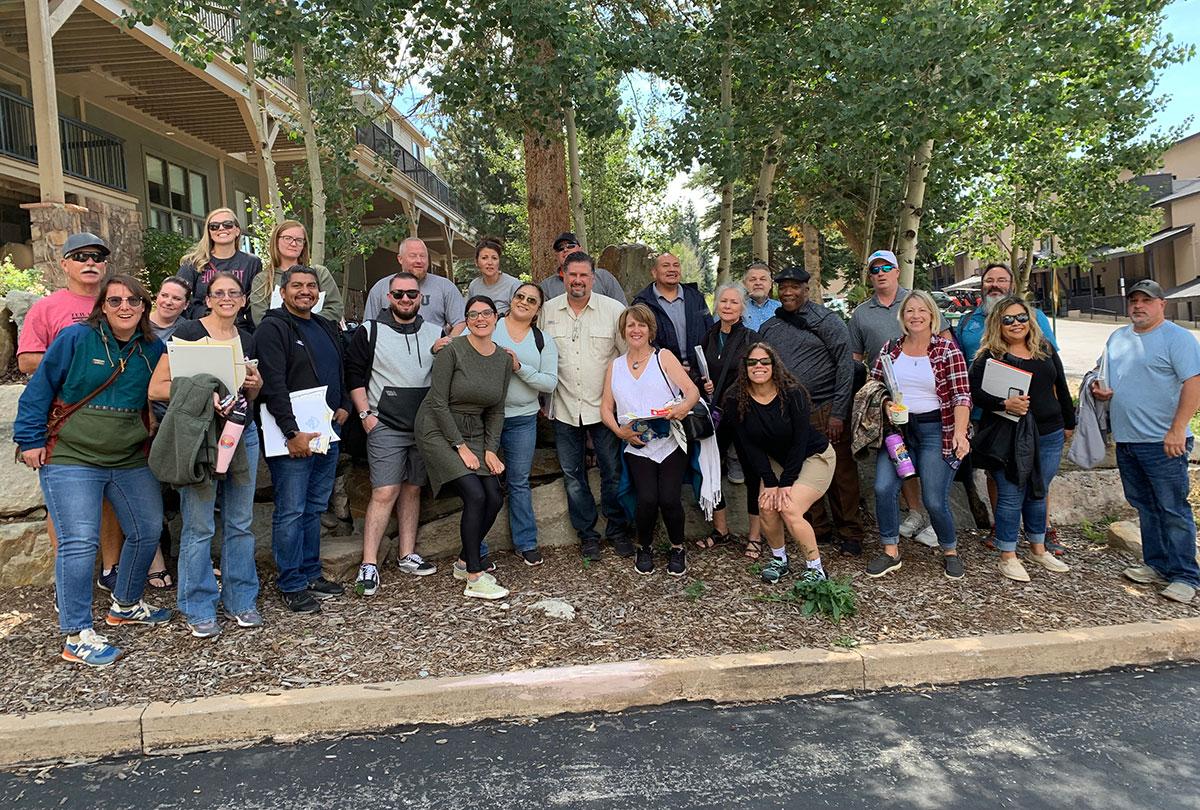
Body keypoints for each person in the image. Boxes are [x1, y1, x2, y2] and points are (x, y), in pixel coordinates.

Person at [14, 275, 170, 666]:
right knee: (79, 541)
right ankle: (77, 633)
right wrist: (30, 439)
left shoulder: (154, 347)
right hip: (71, 456)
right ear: (103, 305)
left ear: (143, 307)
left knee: (148, 528)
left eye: (133, 300)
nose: (124, 307)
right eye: (115, 300)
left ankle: (127, 605)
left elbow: (169, 390)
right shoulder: (74, 339)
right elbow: (40, 389)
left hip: (128, 456)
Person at [148, 272, 265, 636]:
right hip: (200, 438)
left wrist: (255, 386)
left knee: (240, 523)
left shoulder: (247, 338)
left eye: (234, 293)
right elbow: (157, 387)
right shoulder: (188, 333)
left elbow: (247, 398)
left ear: (243, 300)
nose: (226, 298)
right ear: (208, 299)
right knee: (199, 525)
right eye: (219, 293)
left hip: (241, 437)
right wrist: (204, 395)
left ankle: (241, 600)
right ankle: (198, 606)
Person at [16, 232, 125, 593]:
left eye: (96, 256)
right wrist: (78, 361)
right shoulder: (47, 308)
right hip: (65, 421)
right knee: (61, 506)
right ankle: (71, 583)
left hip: (116, 419)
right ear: (64, 264)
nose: (90, 262)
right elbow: (28, 360)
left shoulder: (119, 301)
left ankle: (111, 569)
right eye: (80, 256)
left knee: (111, 497)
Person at [1093, 280, 1200, 604]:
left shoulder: (1177, 339)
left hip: (1163, 441)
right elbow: (1111, 379)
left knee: (1172, 508)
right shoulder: (1118, 338)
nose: (1138, 306)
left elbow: (1193, 384)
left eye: (1146, 301)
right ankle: (1156, 565)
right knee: (1145, 506)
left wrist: (1177, 429)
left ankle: (1185, 575)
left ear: (1161, 304)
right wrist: (1104, 393)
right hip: (1128, 439)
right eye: (1134, 301)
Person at [255, 266, 351, 614]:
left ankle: (311, 572)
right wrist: (291, 432)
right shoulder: (272, 328)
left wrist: (342, 406)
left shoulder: (324, 326)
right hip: (292, 436)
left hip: (327, 430)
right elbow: (273, 384)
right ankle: (291, 582)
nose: (305, 291)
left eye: (311, 286)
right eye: (297, 286)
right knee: (292, 510)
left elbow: (337, 369)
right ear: (282, 291)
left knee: (314, 506)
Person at [345, 272, 442, 597]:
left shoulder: (434, 332)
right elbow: (355, 374)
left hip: (423, 425)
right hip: (384, 422)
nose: (405, 300)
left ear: (420, 298)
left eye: (411, 295)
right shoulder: (369, 331)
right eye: (398, 294)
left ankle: (407, 554)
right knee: (384, 491)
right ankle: (369, 563)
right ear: (389, 297)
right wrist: (365, 415)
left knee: (413, 489)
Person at [956, 261, 1061, 552]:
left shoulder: (1035, 316)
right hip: (985, 414)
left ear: (1011, 285)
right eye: (989, 280)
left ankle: (1043, 529)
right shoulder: (967, 322)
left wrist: (1064, 416)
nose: (995, 285)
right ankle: (1001, 528)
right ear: (982, 285)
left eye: (1001, 280)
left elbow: (1052, 369)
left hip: (1032, 415)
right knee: (996, 472)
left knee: (1037, 476)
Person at [866, 290, 972, 580]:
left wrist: (960, 434)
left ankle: (949, 550)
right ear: (903, 316)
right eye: (910, 310)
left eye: (922, 310)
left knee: (935, 499)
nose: (916, 316)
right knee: (884, 487)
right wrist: (886, 404)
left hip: (935, 429)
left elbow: (962, 395)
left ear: (932, 315)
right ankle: (890, 551)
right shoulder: (890, 350)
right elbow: (873, 388)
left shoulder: (947, 351)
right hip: (898, 430)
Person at [759, 265, 863, 556]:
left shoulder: (826, 321)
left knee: (841, 473)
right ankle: (818, 529)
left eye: (795, 287)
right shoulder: (771, 326)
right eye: (783, 287)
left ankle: (850, 533)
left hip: (824, 407)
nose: (788, 292)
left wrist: (838, 413)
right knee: (803, 470)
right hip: (791, 413)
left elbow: (846, 368)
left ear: (806, 288)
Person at [968, 296, 1073, 582]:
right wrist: (1004, 404)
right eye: (1008, 319)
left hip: (1049, 432)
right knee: (1011, 494)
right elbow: (974, 394)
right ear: (997, 324)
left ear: (1030, 319)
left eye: (1021, 317)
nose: (1016, 324)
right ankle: (1008, 555)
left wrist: (1069, 422)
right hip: (1010, 435)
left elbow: (1060, 386)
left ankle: (1038, 548)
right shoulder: (988, 357)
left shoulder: (1044, 349)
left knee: (1038, 490)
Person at [415, 295, 513, 599]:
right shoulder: (452, 350)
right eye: (473, 314)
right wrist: (460, 447)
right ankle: (474, 577)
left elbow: (496, 410)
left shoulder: (503, 360)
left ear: (497, 318)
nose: (480, 319)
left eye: (486, 313)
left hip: (475, 430)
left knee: (494, 497)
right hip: (437, 426)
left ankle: (462, 561)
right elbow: (438, 402)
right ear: (466, 320)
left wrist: (490, 449)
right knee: (474, 493)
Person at [540, 251, 633, 560]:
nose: (578, 280)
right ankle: (587, 535)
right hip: (564, 408)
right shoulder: (548, 312)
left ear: (593, 278)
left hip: (604, 409)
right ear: (563, 277)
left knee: (612, 472)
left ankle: (618, 530)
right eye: (572, 275)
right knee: (573, 476)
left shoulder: (613, 310)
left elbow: (626, 358)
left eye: (584, 275)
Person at [724, 343, 835, 584]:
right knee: (766, 504)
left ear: (774, 365)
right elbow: (748, 445)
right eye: (752, 362)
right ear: (744, 368)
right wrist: (771, 481)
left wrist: (785, 483)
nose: (759, 367)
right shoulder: (735, 399)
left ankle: (815, 567)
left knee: (789, 507)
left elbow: (800, 440)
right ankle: (779, 559)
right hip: (777, 460)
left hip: (813, 456)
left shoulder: (792, 393)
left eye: (764, 361)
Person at [601, 304, 698, 576]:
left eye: (641, 325)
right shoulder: (615, 366)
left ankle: (678, 548)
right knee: (646, 499)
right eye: (630, 325)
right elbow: (605, 407)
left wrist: (680, 408)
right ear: (623, 331)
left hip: (670, 442)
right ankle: (644, 546)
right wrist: (619, 432)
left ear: (650, 330)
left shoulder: (663, 357)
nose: (636, 330)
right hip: (636, 444)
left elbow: (691, 391)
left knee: (668, 498)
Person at [493, 283, 559, 566]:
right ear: (511, 300)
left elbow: (549, 382)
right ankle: (477, 547)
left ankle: (526, 542)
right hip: (486, 419)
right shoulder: (489, 326)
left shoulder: (543, 340)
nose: (524, 302)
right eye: (520, 296)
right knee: (482, 482)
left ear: (537, 309)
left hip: (523, 419)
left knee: (518, 482)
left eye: (531, 300)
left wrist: (520, 368)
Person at [697, 283, 762, 554]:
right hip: (717, 415)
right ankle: (721, 529)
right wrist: (705, 385)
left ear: (742, 307)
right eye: (723, 301)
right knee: (713, 468)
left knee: (752, 471)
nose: (727, 306)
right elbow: (703, 372)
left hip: (745, 413)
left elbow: (760, 373)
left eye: (734, 302)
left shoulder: (750, 338)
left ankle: (755, 536)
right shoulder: (708, 336)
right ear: (717, 305)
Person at [362, 238, 465, 343]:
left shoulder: (445, 287)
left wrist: (445, 347)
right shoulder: (380, 288)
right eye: (413, 256)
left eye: (423, 256)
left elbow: (461, 322)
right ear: (400, 259)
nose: (419, 261)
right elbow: (368, 328)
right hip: (391, 355)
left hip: (434, 355)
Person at [631, 252, 713, 378]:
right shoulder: (643, 303)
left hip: (698, 376)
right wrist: (672, 366)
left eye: (676, 265)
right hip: (660, 375)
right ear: (654, 272)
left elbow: (711, 334)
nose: (672, 269)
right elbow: (641, 342)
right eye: (666, 266)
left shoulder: (696, 298)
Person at [249, 220, 344, 327]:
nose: (293, 243)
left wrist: (307, 324)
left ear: (304, 245)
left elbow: (335, 309)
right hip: (279, 340)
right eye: (287, 238)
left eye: (299, 240)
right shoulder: (263, 279)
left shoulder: (319, 273)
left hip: (317, 337)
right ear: (276, 241)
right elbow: (260, 319)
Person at [177, 208, 262, 329]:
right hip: (201, 327)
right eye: (214, 226)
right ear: (209, 233)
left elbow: (253, 303)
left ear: (237, 230)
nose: (221, 228)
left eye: (227, 225)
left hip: (237, 328)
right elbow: (179, 296)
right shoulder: (193, 262)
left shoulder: (252, 262)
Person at [539, 232, 628, 304]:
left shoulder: (604, 277)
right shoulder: (546, 286)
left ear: (580, 248)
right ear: (556, 255)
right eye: (560, 248)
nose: (565, 250)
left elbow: (623, 310)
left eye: (570, 245)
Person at [467, 238, 522, 316]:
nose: (490, 263)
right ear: (476, 262)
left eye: (494, 258)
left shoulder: (514, 285)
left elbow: (522, 315)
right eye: (484, 258)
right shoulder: (474, 286)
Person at [149, 276, 192, 342]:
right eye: (164, 295)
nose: (168, 302)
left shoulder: (189, 330)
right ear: (157, 297)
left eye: (176, 298)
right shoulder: (137, 323)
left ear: (186, 304)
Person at [741, 261, 780, 331]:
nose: (758, 283)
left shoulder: (781, 309)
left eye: (763, 279)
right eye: (753, 279)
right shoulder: (735, 309)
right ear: (744, 284)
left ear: (770, 284)